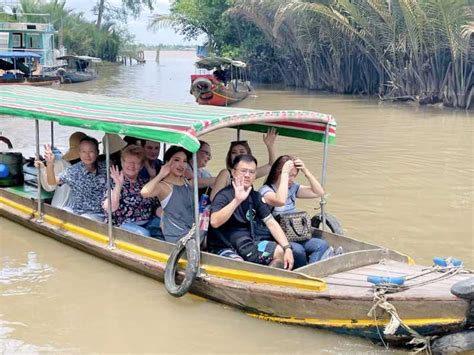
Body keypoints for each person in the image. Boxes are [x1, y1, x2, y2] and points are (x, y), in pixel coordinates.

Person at [208, 154, 294, 269]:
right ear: (234, 173)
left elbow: (271, 223)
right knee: (240, 265)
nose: (247, 175)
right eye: (243, 171)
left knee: (280, 252)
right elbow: (214, 222)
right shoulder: (223, 195)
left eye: (252, 172)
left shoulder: (255, 196)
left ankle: (266, 279)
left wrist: (286, 247)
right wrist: (237, 200)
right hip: (223, 247)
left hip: (247, 245)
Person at [259, 155, 336, 267]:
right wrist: (285, 175)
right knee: (298, 251)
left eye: (294, 176)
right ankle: (306, 270)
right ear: (278, 172)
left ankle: (312, 271)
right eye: (289, 175)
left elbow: (318, 192)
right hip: (278, 237)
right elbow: (279, 200)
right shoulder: (266, 191)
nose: (291, 179)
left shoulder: (293, 188)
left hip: (296, 233)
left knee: (321, 244)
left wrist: (306, 171)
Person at [102, 145, 162, 238]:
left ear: (141, 166)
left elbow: (155, 206)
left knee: (165, 226)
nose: (131, 165)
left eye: (136, 162)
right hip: (123, 225)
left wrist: (165, 217)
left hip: (147, 222)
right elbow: (110, 208)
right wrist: (118, 185)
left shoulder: (143, 183)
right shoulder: (113, 181)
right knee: (144, 234)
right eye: (128, 162)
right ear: (122, 162)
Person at [42, 136, 107, 221]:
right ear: (79, 153)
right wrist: (49, 164)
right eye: (83, 152)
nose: (87, 155)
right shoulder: (73, 171)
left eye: (91, 151)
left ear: (97, 152)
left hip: (98, 214)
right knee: (60, 213)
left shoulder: (106, 168)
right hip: (76, 211)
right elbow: (52, 182)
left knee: (84, 219)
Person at [141, 146, 194, 243]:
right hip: (178, 236)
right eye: (177, 160)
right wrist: (161, 174)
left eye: (185, 161)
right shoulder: (164, 186)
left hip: (193, 231)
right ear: (167, 162)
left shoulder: (187, 181)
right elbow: (144, 192)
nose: (181, 165)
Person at [210, 128, 278, 201]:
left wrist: (270, 145)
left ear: (248, 155)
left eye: (241, 152)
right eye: (234, 152)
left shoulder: (249, 173)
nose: (237, 155)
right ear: (230, 156)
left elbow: (271, 166)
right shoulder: (226, 174)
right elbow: (214, 198)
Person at [35, 131, 86, 209]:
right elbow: (50, 185)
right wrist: (45, 166)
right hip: (63, 207)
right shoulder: (63, 164)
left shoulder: (91, 165)